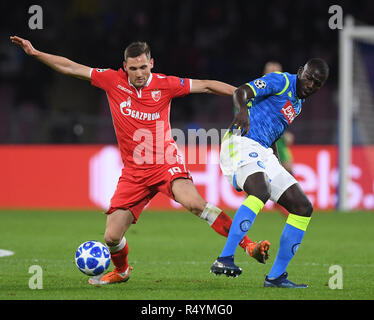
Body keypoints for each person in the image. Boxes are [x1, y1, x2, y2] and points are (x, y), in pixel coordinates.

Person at [10, 36, 270, 285]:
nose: (139, 73)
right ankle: (121, 271)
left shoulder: (165, 84)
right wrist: (35, 53)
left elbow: (206, 85)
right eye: (133, 68)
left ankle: (248, 245)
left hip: (166, 163)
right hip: (134, 172)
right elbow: (71, 67)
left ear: (151, 63)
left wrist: (244, 95)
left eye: (144, 67)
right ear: (125, 67)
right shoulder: (112, 80)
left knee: (194, 203)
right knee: (111, 237)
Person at [210, 58, 329, 288]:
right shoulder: (281, 81)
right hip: (241, 142)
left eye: (317, 83)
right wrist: (243, 111)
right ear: (300, 71)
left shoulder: (297, 105)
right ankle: (225, 258)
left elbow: (274, 129)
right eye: (309, 78)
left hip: (263, 150)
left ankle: (276, 277)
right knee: (260, 190)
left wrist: (274, 155)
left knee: (303, 207)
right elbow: (242, 91)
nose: (311, 84)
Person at [264, 62, 294, 217]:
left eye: (277, 72)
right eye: (271, 72)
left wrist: (285, 134)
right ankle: (250, 211)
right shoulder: (258, 90)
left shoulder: (284, 91)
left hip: (278, 140)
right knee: (255, 177)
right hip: (261, 138)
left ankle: (285, 205)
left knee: (288, 169)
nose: (275, 75)